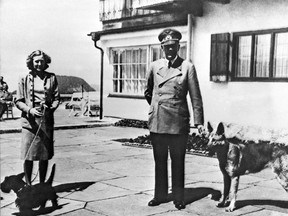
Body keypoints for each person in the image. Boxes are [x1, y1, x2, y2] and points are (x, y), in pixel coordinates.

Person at [144, 28, 204, 210]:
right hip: (158, 121)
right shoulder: (154, 66)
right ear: (162, 47)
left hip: (178, 122)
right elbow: (148, 92)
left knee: (178, 161)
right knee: (159, 161)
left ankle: (179, 197)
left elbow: (195, 97)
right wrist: (156, 107)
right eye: (166, 46)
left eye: (173, 46)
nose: (170, 50)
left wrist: (199, 122)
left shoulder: (187, 67)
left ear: (178, 46)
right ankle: (159, 195)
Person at [15, 50, 60, 185]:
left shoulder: (52, 77)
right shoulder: (23, 78)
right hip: (29, 122)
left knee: (44, 156)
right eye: (36, 61)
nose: (39, 64)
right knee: (28, 156)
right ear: (31, 62)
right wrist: (30, 110)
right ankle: (28, 186)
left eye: (41, 61)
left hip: (46, 121)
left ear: (46, 62)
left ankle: (41, 185)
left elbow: (57, 98)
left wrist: (50, 107)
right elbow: (18, 101)